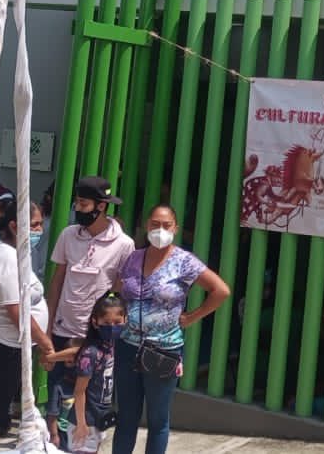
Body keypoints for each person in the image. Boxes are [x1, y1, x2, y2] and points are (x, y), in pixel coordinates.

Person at [112, 205, 230, 454]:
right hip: (127, 346)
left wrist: (192, 317)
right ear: (147, 226)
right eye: (155, 224)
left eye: (166, 225)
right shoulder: (134, 257)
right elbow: (119, 289)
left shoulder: (184, 262)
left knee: (157, 420)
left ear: (175, 228)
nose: (160, 230)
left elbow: (221, 291)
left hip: (163, 350)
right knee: (126, 417)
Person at [0, 191, 66, 453]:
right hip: (0, 348)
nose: (39, 230)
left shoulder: (7, 251)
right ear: (13, 226)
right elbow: (16, 311)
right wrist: (45, 343)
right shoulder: (6, 258)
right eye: (34, 225)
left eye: (40, 224)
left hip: (1, 345)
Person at [45, 176, 133, 449]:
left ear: (101, 206)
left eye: (84, 203)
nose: (78, 208)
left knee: (87, 408)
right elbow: (58, 280)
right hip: (62, 331)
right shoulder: (68, 235)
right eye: (78, 202)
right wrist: (47, 329)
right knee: (57, 406)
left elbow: (116, 295)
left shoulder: (123, 244)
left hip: (94, 339)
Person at [66, 295, 126, 454]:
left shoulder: (111, 346)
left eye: (117, 322)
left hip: (100, 419)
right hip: (85, 421)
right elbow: (79, 391)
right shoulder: (91, 353)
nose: (112, 327)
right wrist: (81, 424)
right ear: (95, 322)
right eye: (106, 323)